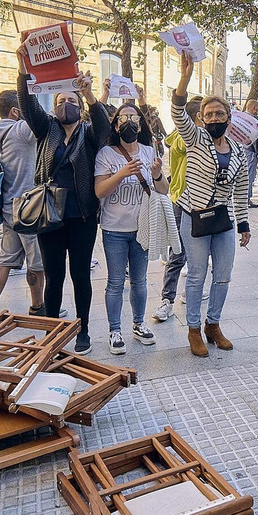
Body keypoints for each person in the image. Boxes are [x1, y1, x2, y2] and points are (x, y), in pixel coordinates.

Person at [16, 57, 111, 355]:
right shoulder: (47, 128)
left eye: (71, 100)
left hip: (82, 215)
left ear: (79, 106)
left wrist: (90, 96)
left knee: (80, 275)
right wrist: (24, 72)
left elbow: (105, 129)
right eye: (61, 100)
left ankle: (82, 330)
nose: (65, 104)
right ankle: (52, 330)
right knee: (54, 275)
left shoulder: (89, 132)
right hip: (49, 215)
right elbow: (28, 104)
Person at [169, 53, 251, 356]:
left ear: (228, 117)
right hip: (194, 217)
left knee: (224, 275)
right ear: (202, 118)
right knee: (197, 274)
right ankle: (193, 330)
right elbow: (177, 112)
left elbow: (241, 189)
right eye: (210, 114)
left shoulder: (239, 151)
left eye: (220, 113)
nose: (215, 118)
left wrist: (243, 224)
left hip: (223, 221)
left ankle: (212, 325)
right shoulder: (195, 139)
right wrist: (185, 78)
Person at [93, 102, 162, 354]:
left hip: (141, 228)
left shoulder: (148, 150)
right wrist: (122, 173)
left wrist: (156, 174)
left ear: (141, 123)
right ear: (116, 124)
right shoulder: (106, 154)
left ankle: (139, 324)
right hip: (114, 230)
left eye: (134, 117)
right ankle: (114, 330)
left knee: (140, 281)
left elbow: (162, 190)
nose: (129, 122)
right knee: (114, 282)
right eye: (123, 118)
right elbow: (99, 191)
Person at [0, 89, 48, 316]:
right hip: (29, 207)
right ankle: (38, 305)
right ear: (15, 111)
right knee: (36, 261)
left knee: (5, 258)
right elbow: (44, 118)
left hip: (7, 206)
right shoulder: (20, 129)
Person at [152, 95, 193, 324]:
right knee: (177, 253)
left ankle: (191, 291)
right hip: (182, 200)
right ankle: (167, 300)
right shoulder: (181, 138)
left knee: (199, 254)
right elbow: (176, 143)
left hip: (203, 203)